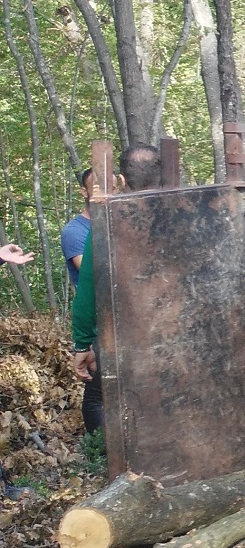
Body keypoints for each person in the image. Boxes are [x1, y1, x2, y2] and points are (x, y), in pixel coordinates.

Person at [71, 145, 166, 432]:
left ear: (122, 180)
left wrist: (82, 343)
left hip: (123, 330)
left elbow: (88, 288)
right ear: (160, 175)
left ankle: (107, 458)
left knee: (103, 396)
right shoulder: (188, 210)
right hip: (174, 329)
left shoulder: (109, 220)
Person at [60, 169, 92, 285]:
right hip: (94, 302)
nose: (106, 195)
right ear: (84, 192)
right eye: (98, 189)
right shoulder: (74, 231)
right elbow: (90, 273)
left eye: (112, 188)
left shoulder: (123, 224)